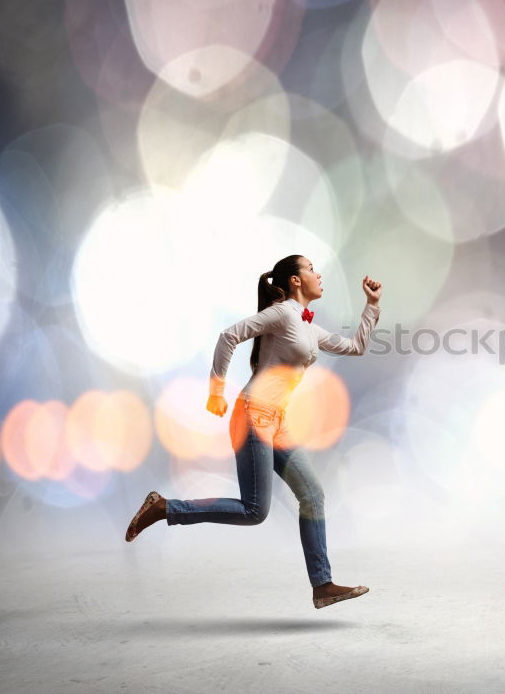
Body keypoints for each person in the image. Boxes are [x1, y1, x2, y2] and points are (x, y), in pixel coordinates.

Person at [125, 254, 382, 610]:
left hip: (277, 422)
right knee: (255, 510)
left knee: (313, 495)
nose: (318, 274)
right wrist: (216, 391)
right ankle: (165, 508)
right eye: (310, 269)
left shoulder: (308, 326)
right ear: (294, 280)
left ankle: (322, 586)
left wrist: (371, 305)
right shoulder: (282, 313)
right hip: (252, 416)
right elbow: (229, 336)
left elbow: (356, 347)